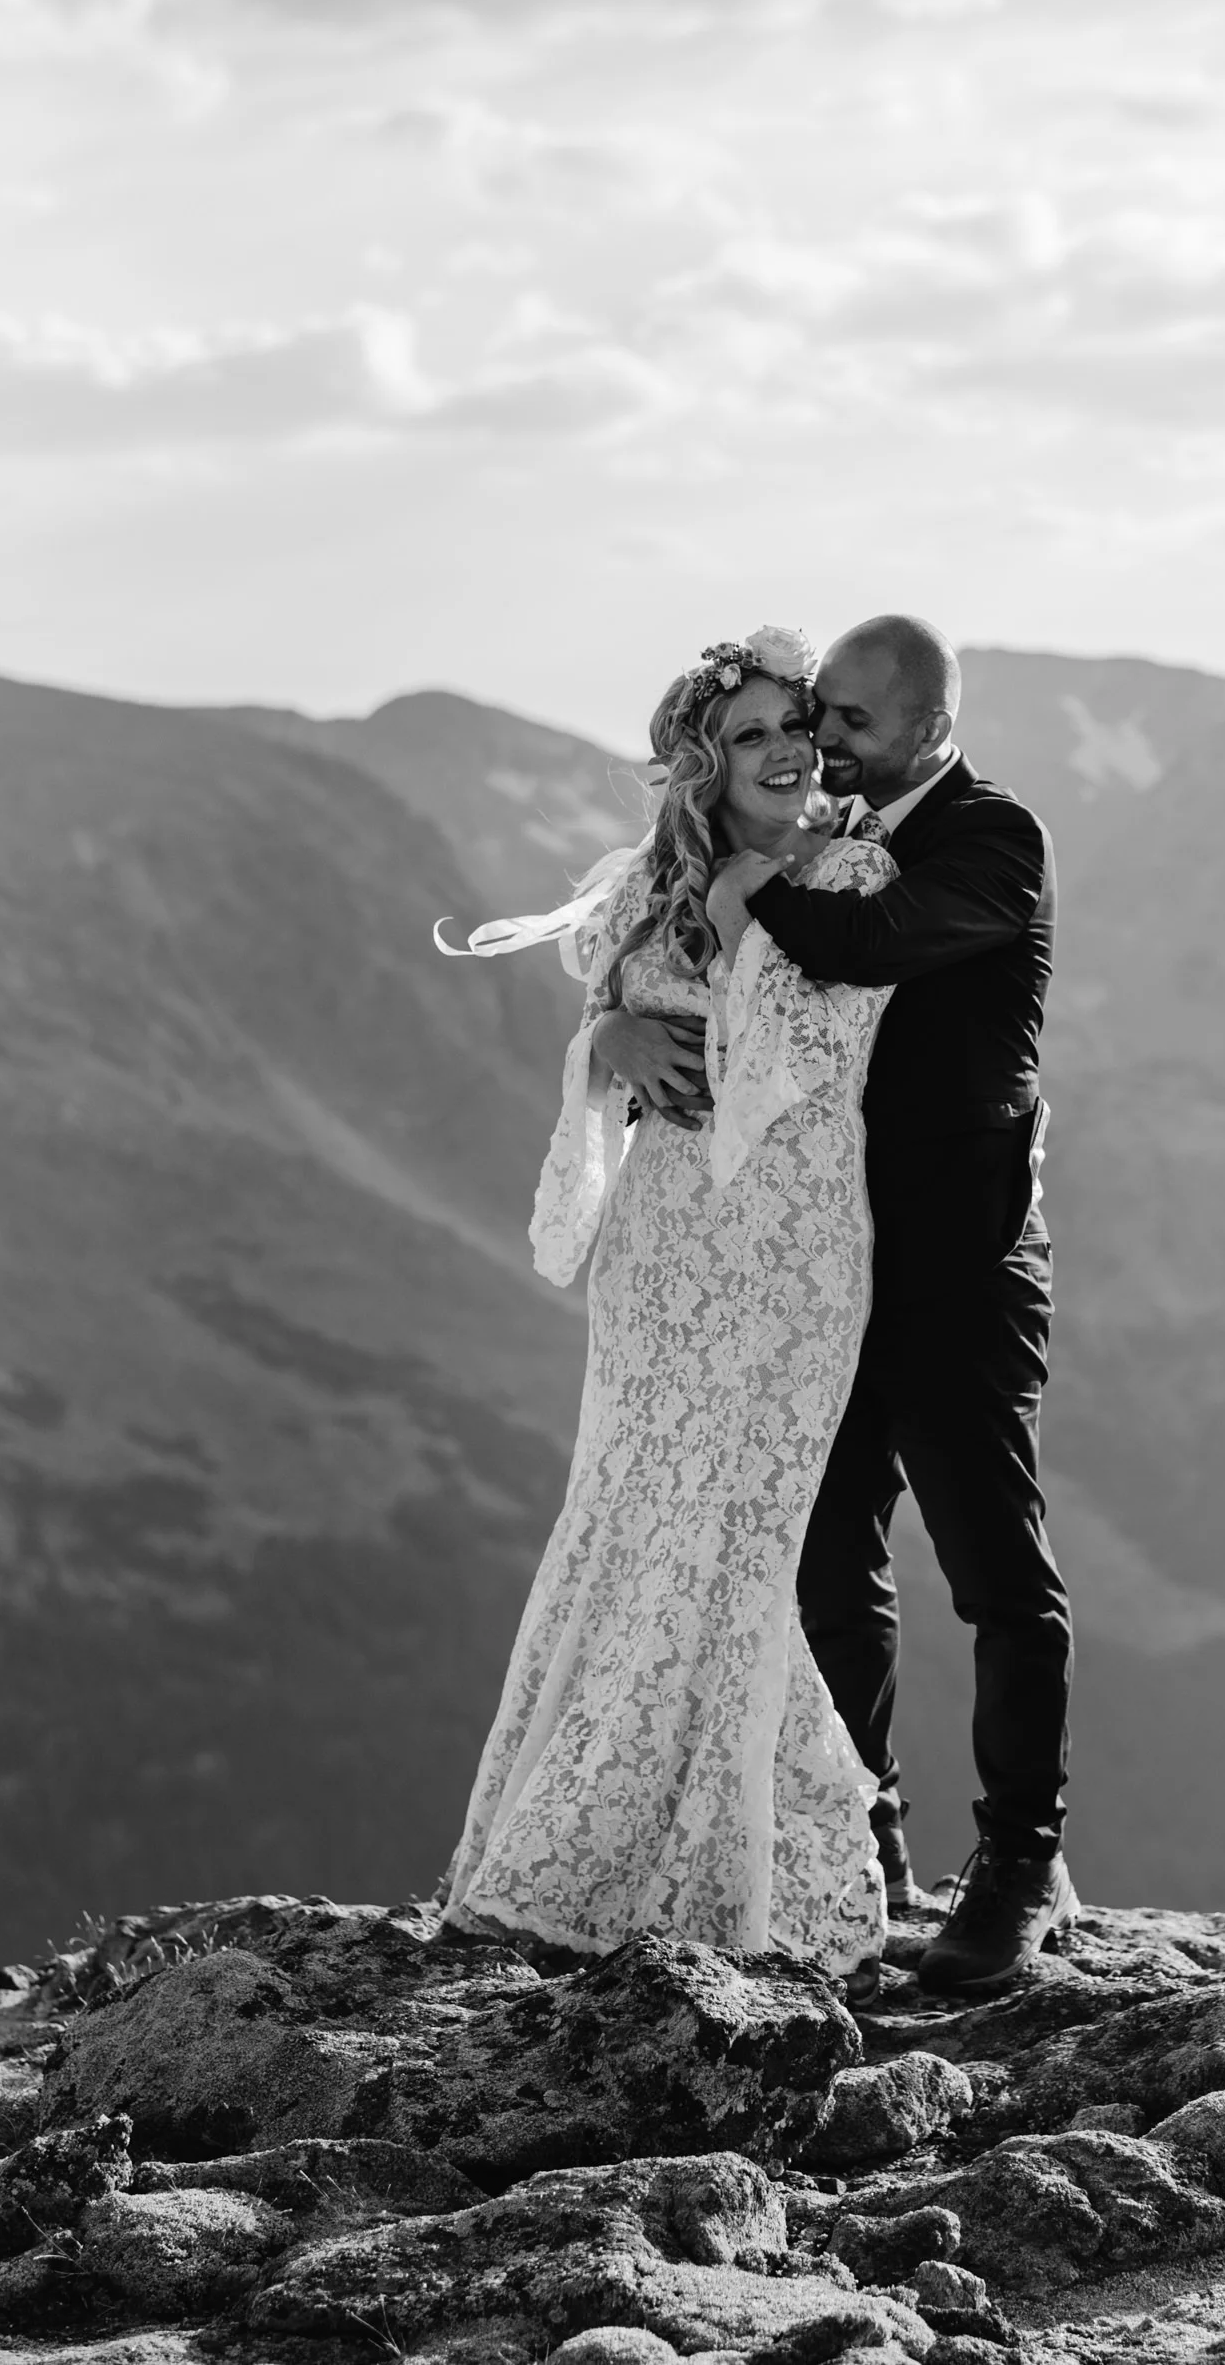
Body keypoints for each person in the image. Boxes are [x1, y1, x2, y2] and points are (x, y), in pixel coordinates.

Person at [434, 626, 897, 1987]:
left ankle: (758, 1861)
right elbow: (614, 1052)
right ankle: (582, 1851)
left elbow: (807, 1056)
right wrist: (609, 1046)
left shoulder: (855, 870)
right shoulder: (651, 885)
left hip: (793, 1251)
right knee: (632, 1512)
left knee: (738, 1539)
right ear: (705, 757)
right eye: (750, 734)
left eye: (797, 726)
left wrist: (757, 889)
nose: (784, 752)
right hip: (662, 1257)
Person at [691, 614, 1077, 1996]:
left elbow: (877, 945)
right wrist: (629, 1024)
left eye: (846, 721)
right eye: (814, 718)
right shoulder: (833, 827)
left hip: (962, 1272)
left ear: (926, 721)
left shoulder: (992, 837)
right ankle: (870, 1849)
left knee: (994, 1574)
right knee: (831, 1558)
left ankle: (1019, 1869)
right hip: (829, 1272)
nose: (820, 743)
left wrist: (765, 877)